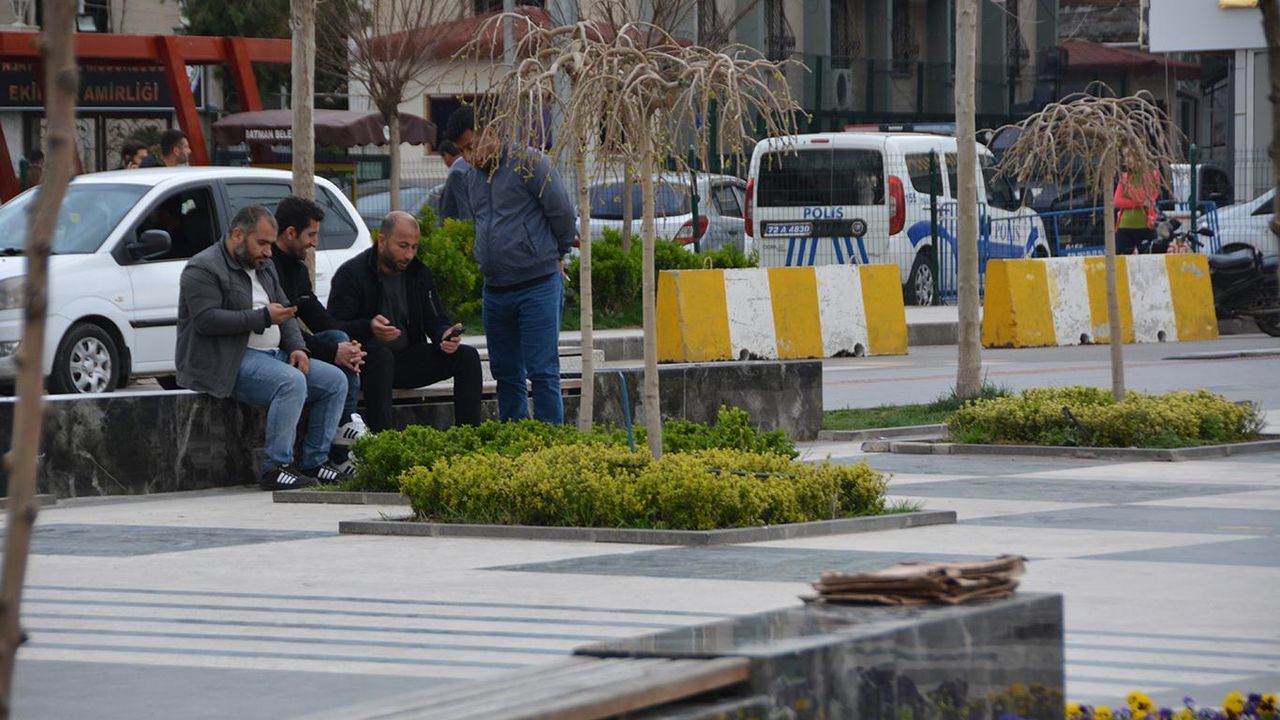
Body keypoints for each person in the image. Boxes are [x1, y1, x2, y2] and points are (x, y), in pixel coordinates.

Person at [176, 204, 348, 490]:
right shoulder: (203, 268)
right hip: (229, 360)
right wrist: (262, 317)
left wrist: (298, 348)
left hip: (273, 355)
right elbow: (206, 320)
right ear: (238, 235)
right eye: (263, 243)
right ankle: (276, 468)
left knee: (334, 381)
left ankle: (315, 462)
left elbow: (285, 311)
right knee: (291, 382)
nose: (269, 252)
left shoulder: (264, 266)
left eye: (270, 244)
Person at [451, 110, 575, 424]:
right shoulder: (470, 178)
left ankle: (551, 441)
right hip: (495, 290)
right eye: (461, 151)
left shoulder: (530, 163)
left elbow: (562, 214)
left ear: (491, 133)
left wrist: (556, 254)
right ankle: (514, 437)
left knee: (542, 372)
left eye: (471, 146)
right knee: (505, 373)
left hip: (538, 285)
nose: (468, 157)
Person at [327, 210, 483, 433]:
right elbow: (333, 327)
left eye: (414, 247)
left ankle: (469, 436)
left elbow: (435, 320)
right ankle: (384, 440)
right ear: (382, 241)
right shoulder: (352, 274)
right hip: (367, 364)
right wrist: (369, 327)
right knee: (382, 356)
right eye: (402, 246)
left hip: (407, 358)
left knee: (467, 356)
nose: (409, 254)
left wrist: (444, 335)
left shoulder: (418, 273)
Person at [270, 196, 369, 467]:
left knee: (341, 340)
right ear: (291, 233)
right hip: (276, 348)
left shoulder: (298, 269)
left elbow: (317, 317)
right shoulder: (269, 268)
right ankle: (342, 436)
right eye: (311, 235)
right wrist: (333, 351)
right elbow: (282, 329)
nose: (315, 242)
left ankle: (345, 427)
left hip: (298, 345)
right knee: (336, 350)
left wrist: (350, 347)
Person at [1114, 151, 1159, 255]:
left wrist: (1129, 198)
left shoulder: (1152, 176)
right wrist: (1140, 203)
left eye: (1129, 156)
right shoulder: (1124, 178)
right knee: (1122, 258)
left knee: (1151, 256)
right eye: (1125, 156)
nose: (1126, 160)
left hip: (1146, 225)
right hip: (1125, 226)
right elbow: (1117, 201)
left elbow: (1149, 196)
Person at [437, 123, 472, 221]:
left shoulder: (456, 173)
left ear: (446, 155)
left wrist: (466, 225)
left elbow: (463, 205)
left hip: (454, 225)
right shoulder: (468, 167)